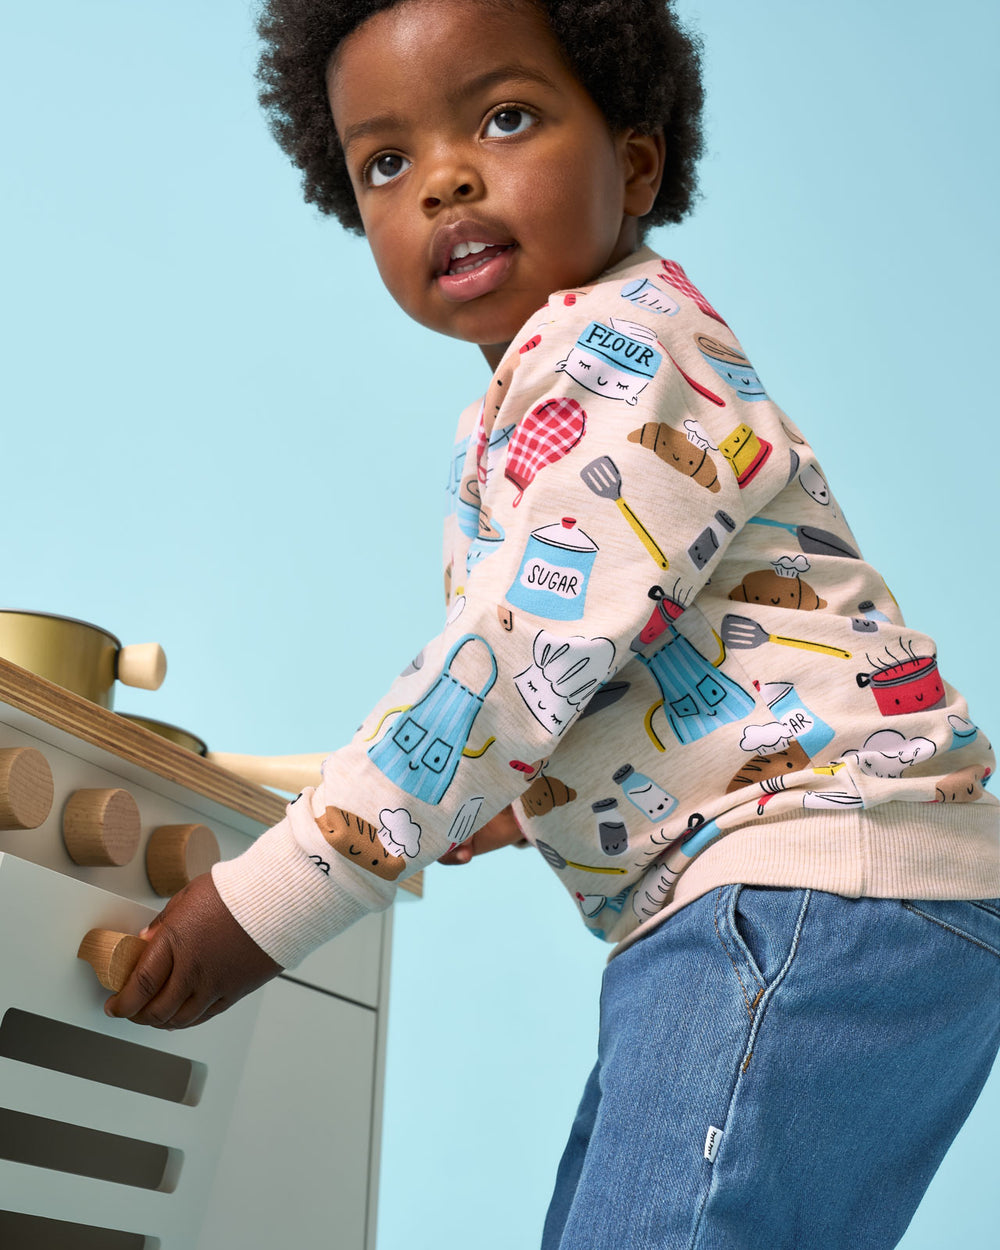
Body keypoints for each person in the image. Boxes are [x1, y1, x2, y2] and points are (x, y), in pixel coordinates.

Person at [105, 1, 1000, 1245]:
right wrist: (530, 798)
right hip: (822, 893)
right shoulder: (568, 373)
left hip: (796, 884)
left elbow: (519, 658)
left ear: (634, 159)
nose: (446, 178)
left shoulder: (618, 346)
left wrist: (265, 903)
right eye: (385, 161)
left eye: (505, 118)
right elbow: (613, 650)